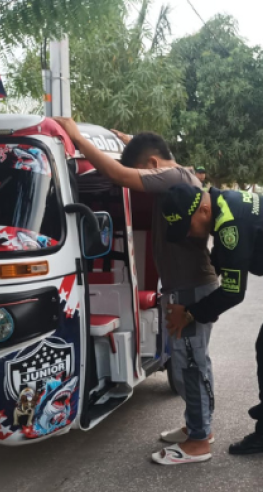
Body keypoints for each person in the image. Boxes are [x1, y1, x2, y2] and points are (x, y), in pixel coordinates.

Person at [53, 119, 218, 465]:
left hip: (191, 286)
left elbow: (119, 176)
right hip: (185, 285)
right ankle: (196, 428)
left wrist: (78, 137)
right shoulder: (181, 172)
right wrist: (126, 140)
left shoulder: (173, 178)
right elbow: (148, 152)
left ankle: (200, 441)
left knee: (192, 361)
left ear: (154, 165)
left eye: (144, 174)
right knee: (190, 358)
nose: (144, 183)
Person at [161, 184, 263, 456]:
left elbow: (233, 292)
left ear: (203, 210)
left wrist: (192, 312)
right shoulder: (224, 204)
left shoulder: (230, 225)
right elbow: (223, 258)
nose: (189, 235)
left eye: (188, 226)